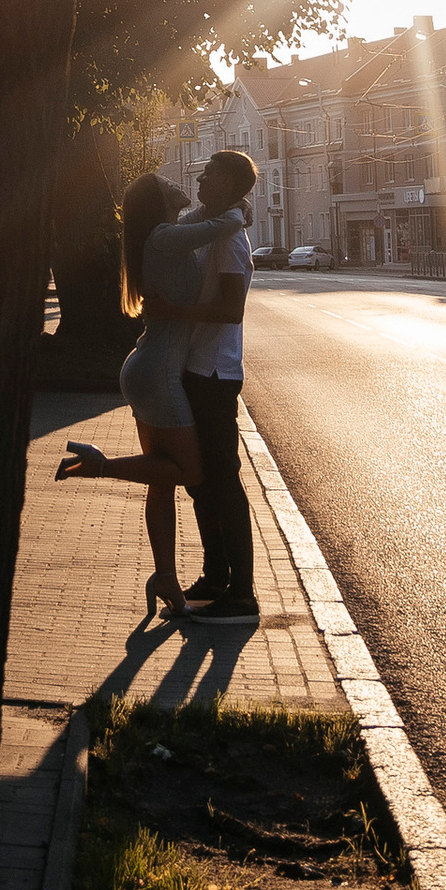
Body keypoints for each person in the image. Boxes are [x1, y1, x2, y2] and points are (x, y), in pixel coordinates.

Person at [54, 165, 221, 624]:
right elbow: (220, 222)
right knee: (189, 470)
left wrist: (224, 208)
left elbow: (205, 219)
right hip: (158, 372)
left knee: (161, 480)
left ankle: (165, 576)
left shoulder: (165, 233)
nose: (176, 182)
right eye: (166, 183)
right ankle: (98, 465)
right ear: (158, 202)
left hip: (147, 366)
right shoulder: (166, 235)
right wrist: (237, 209)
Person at [176, 151, 260, 623]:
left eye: (209, 173)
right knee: (201, 479)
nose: (200, 177)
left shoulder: (231, 239)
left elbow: (231, 309)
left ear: (228, 183)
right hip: (198, 367)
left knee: (222, 480)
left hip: (214, 373)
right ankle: (214, 576)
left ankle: (242, 593)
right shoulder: (212, 223)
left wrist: (173, 312)